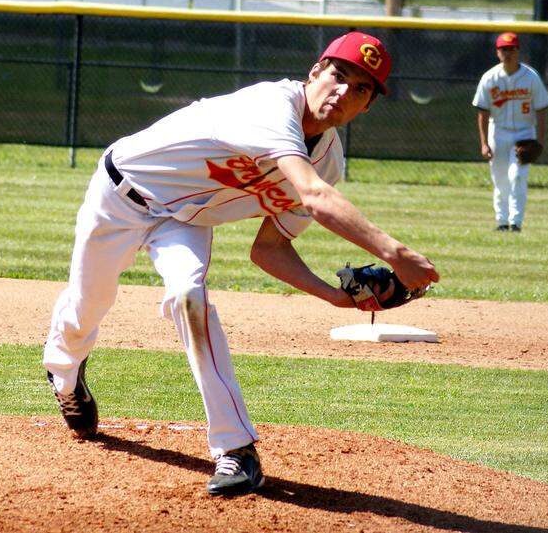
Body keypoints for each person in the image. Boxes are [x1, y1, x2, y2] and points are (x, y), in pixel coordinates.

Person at [42, 31, 439, 497]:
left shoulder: (327, 159)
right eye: (339, 75)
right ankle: (64, 371)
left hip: (183, 220)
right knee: (89, 303)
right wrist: (396, 253)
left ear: (368, 106)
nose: (343, 92)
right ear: (315, 71)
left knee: (190, 300)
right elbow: (313, 197)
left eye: (361, 89)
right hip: (120, 194)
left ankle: (237, 451)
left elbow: (268, 248)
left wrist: (336, 298)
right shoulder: (272, 108)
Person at [472, 32, 548, 232]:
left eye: (512, 49)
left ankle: (515, 222)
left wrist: (540, 141)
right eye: (503, 49)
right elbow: (482, 112)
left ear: (518, 51)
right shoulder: (490, 78)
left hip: (525, 132)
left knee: (517, 176)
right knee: (500, 179)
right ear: (497, 52)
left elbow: (541, 109)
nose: (508, 53)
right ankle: (501, 222)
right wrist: (483, 143)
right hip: (498, 131)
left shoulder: (530, 77)